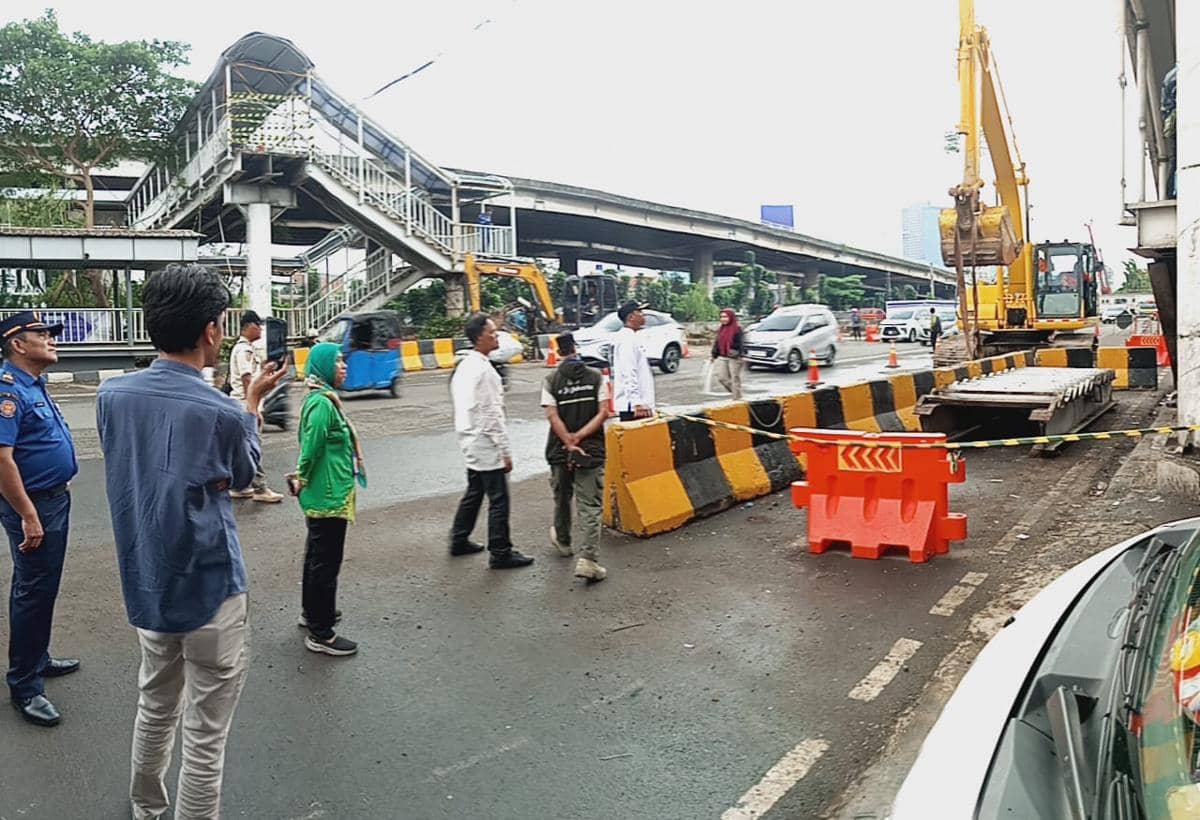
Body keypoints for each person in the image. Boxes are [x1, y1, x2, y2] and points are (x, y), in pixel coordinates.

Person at [96, 263, 287, 820]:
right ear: (210, 330)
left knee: (155, 703)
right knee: (206, 734)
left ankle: (145, 808)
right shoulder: (222, 411)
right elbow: (246, 471)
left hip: (147, 582)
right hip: (211, 588)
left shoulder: (113, 397)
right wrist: (251, 402)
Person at [0, 312, 79, 727]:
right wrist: (29, 515)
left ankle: (36, 657)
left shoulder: (33, 384)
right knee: (33, 589)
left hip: (51, 500)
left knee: (41, 587)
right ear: (18, 344)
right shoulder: (6, 390)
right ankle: (25, 686)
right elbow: (1, 460)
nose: (51, 340)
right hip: (33, 505)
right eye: (43, 334)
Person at [289, 342, 364, 657]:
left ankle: (314, 613)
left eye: (344, 360)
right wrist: (301, 477)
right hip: (327, 494)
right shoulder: (322, 404)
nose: (344, 365)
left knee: (316, 557)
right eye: (338, 361)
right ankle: (322, 634)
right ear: (322, 366)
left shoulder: (323, 399)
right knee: (325, 563)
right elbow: (311, 447)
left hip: (326, 491)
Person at [448, 313, 534, 569]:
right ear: (479, 338)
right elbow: (491, 414)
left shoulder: (465, 365)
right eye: (491, 333)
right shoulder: (484, 371)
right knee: (499, 499)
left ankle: (459, 538)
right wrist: (504, 450)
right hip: (486, 441)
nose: (496, 336)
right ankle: (500, 551)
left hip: (469, 437)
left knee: (474, 492)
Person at [541, 332, 609, 582]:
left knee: (561, 497)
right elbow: (603, 412)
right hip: (590, 450)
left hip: (559, 449)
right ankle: (588, 560)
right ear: (576, 349)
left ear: (559, 352)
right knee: (590, 505)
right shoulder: (596, 377)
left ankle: (563, 540)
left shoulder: (550, 380)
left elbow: (552, 415)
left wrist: (568, 440)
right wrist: (580, 437)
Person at [228, 310, 283, 503]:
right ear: (249, 327)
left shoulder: (245, 348)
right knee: (253, 445)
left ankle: (239, 486)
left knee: (241, 447)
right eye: (258, 325)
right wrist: (255, 407)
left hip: (241, 403)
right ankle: (260, 488)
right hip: (245, 404)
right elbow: (247, 379)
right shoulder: (245, 350)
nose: (260, 329)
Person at [611, 301, 655, 421]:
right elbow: (629, 372)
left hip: (639, 405)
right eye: (639, 312)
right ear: (631, 317)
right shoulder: (627, 339)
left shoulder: (631, 337)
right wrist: (636, 402)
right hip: (633, 408)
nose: (643, 315)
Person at [710, 308, 745, 400]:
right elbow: (717, 343)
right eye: (721, 317)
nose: (723, 319)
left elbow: (741, 344)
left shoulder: (737, 329)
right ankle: (737, 394)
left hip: (734, 357)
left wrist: (740, 355)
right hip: (722, 356)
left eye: (725, 317)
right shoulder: (721, 329)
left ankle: (737, 399)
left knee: (735, 378)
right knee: (722, 378)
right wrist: (713, 355)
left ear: (731, 317)